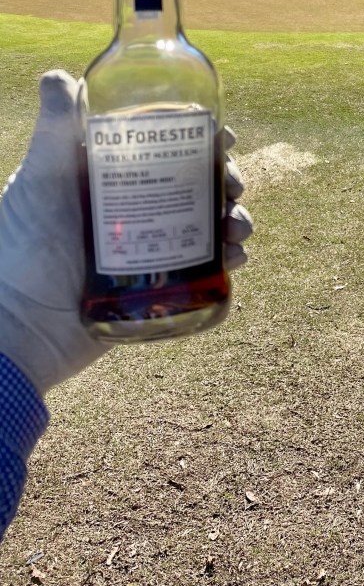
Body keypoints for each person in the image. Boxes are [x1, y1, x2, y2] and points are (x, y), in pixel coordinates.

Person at [0, 71, 253, 540]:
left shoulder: (189, 68)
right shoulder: (107, 77)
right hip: (97, 294)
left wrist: (13, 338)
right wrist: (15, 321)